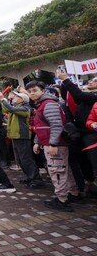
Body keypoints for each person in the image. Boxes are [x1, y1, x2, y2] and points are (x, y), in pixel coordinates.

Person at [26, 80, 81, 211]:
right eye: (29, 92)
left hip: (55, 144)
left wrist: (53, 143)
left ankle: (62, 200)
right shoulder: (41, 105)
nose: (32, 94)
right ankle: (72, 193)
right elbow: (42, 126)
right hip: (51, 143)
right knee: (63, 170)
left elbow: (56, 125)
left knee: (57, 171)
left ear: (42, 91)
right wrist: (37, 142)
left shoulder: (48, 104)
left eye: (35, 90)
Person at [0, 90, 44, 189]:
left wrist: (3, 99)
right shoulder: (17, 107)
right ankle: (29, 176)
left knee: (26, 159)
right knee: (20, 159)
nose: (14, 98)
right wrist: (2, 101)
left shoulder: (26, 108)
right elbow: (5, 110)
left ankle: (36, 179)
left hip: (22, 136)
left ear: (22, 99)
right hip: (15, 136)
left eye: (17, 97)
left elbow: (11, 109)